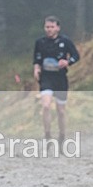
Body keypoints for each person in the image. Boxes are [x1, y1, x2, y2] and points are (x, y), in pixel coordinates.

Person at [32, 15, 80, 145]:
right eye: (47, 27)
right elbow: (36, 60)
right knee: (46, 106)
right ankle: (47, 135)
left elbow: (76, 56)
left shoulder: (65, 41)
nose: (49, 29)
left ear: (57, 28)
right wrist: (36, 69)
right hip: (46, 78)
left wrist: (68, 62)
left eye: (52, 27)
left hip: (60, 79)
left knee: (61, 111)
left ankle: (62, 136)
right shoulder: (40, 42)